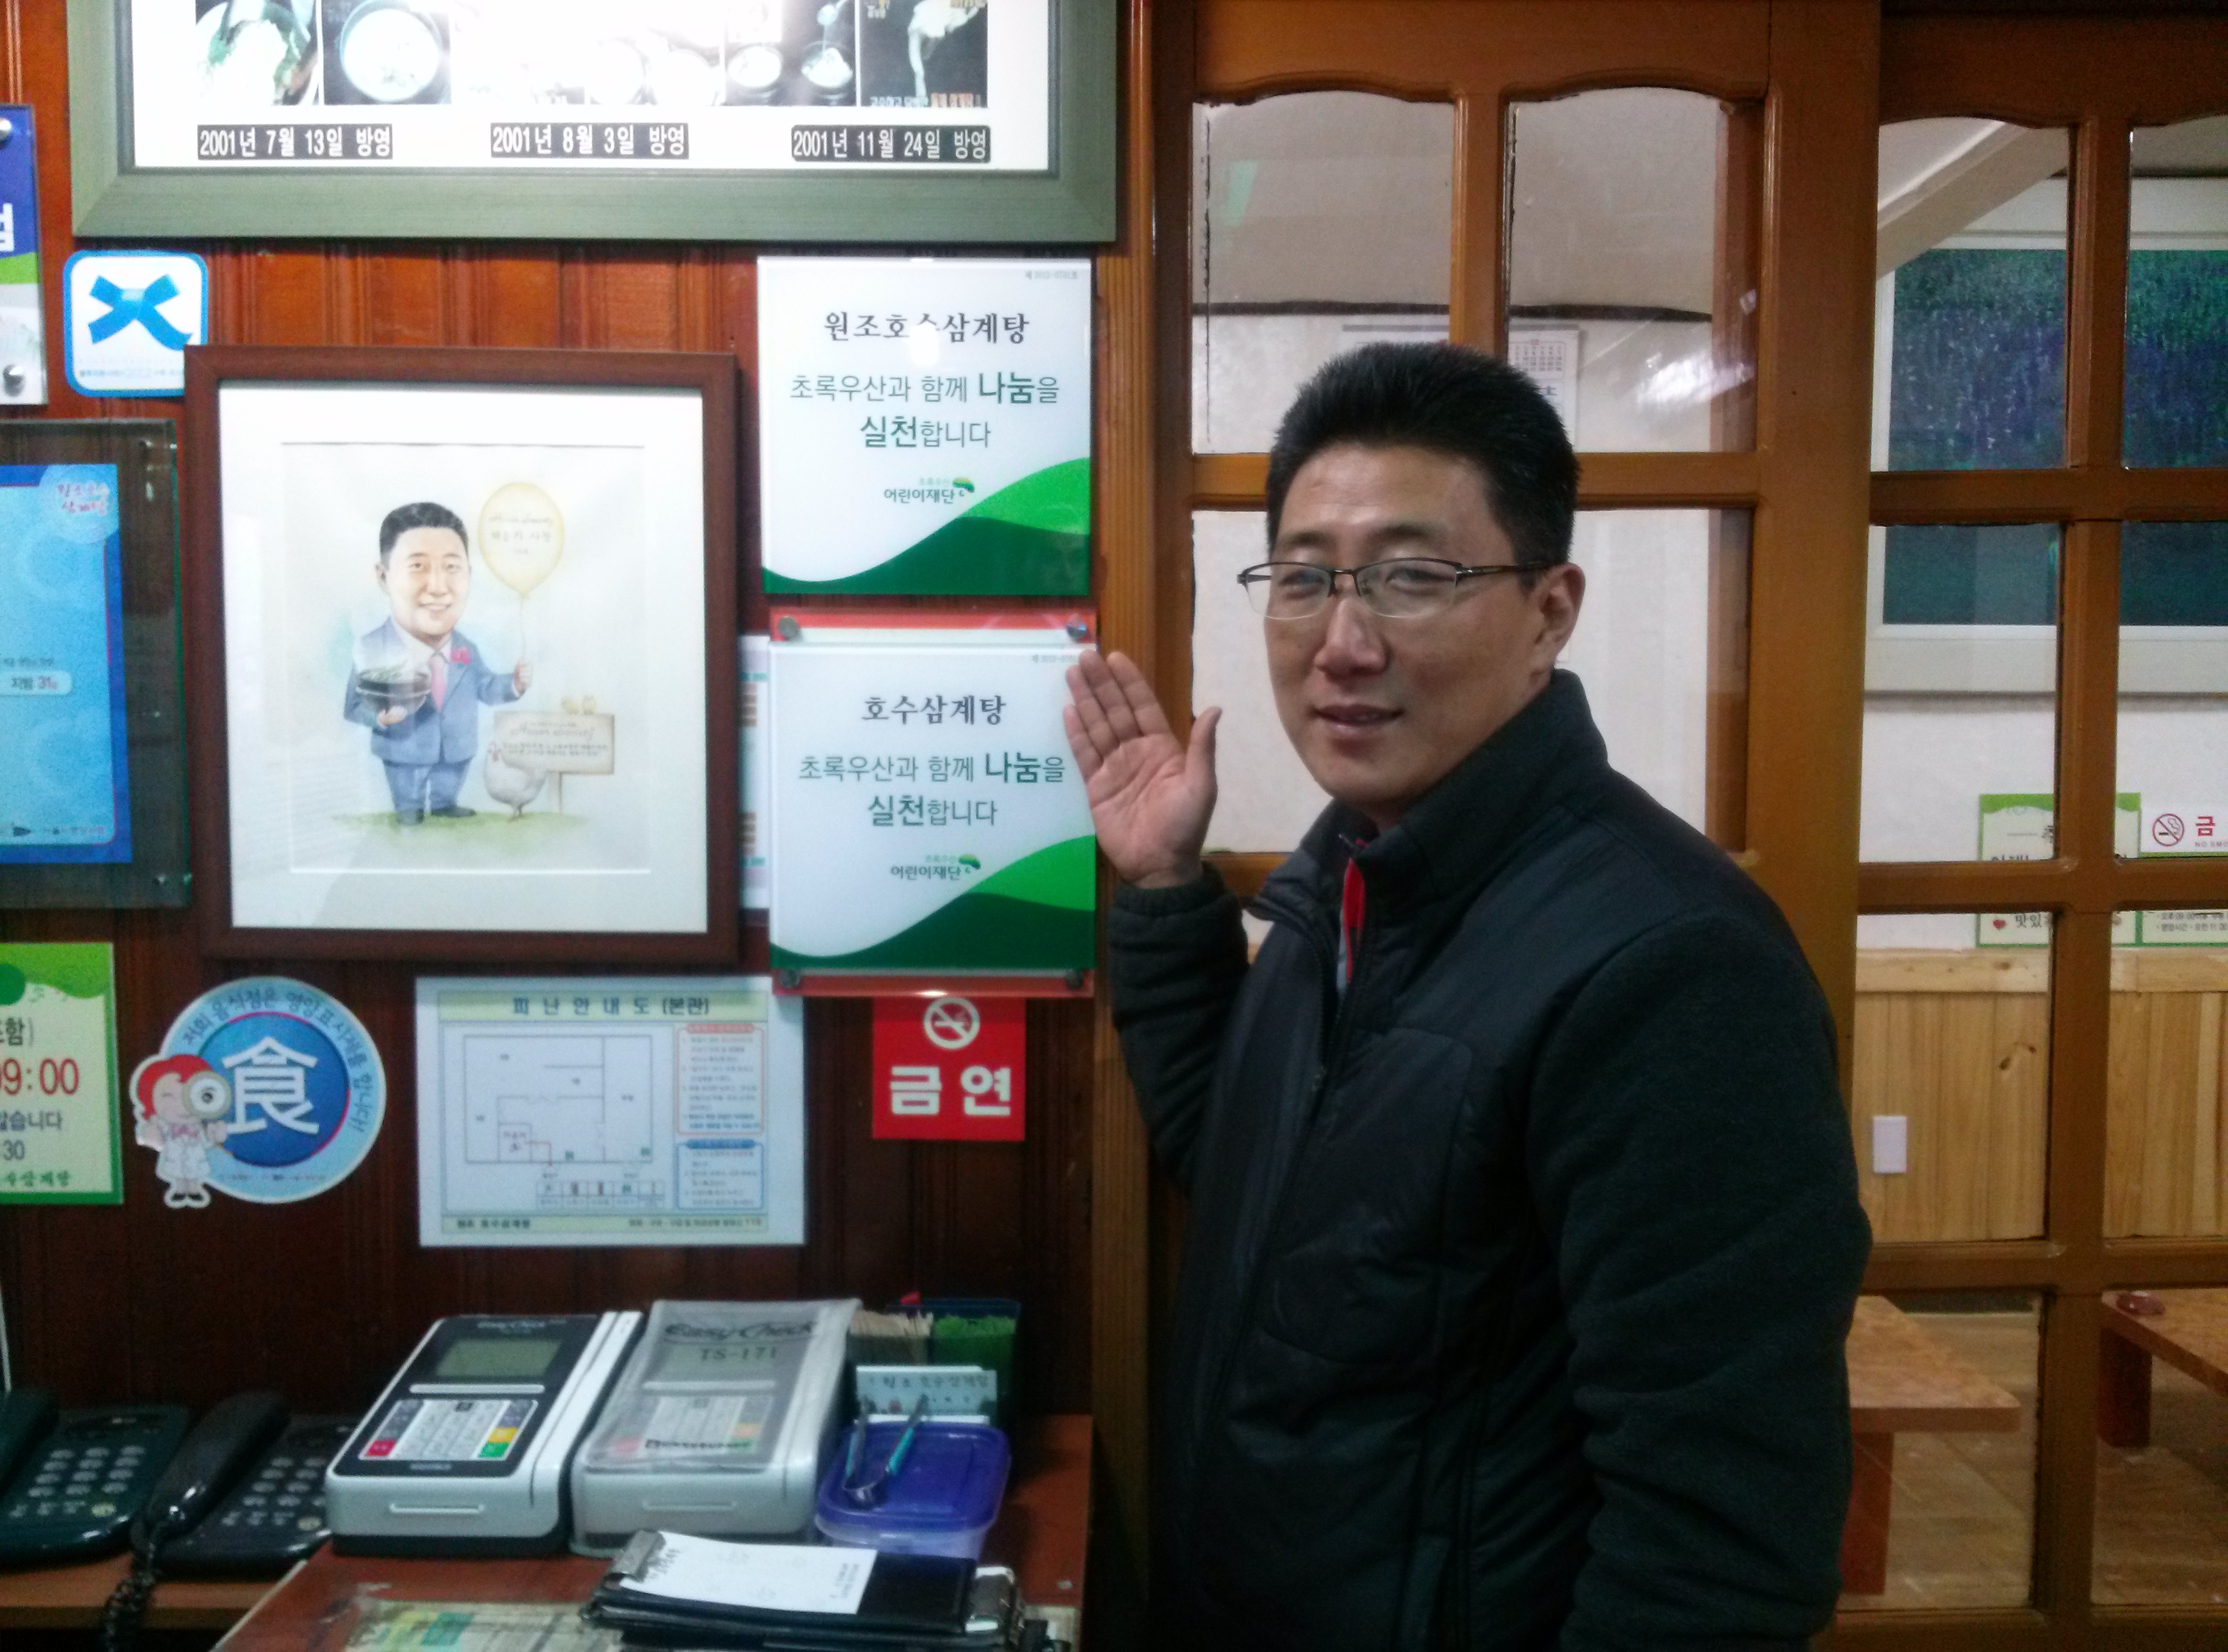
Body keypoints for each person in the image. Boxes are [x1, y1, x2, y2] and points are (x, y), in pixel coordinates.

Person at [1064, 343, 1870, 1649]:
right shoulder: (1354, 875)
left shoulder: (1673, 968)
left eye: (1412, 576)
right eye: (1305, 577)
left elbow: (1717, 1550)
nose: (1343, 643)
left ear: (1550, 611)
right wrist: (1164, 890)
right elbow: (1260, 1177)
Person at [343, 501, 531, 825]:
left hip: (457, 746)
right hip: (404, 748)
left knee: (450, 778)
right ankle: (409, 810)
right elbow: (353, 706)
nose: (439, 588)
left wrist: (513, 684)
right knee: (407, 791)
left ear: (469, 575)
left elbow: (485, 686)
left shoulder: (466, 649)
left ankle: (445, 804)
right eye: (417, 566)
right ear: (384, 577)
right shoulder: (372, 648)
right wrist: (380, 718)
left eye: (452, 567)